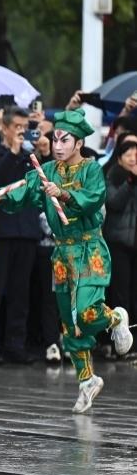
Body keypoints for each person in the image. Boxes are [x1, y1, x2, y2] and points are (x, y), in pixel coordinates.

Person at [0, 109, 133, 413]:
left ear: (79, 143)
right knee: (70, 323)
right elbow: (25, 191)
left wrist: (63, 195)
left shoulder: (91, 169)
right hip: (62, 254)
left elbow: (93, 199)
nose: (58, 144)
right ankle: (87, 380)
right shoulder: (47, 170)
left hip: (88, 249)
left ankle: (117, 318)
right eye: (55, 139)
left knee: (88, 314)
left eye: (65, 139)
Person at [0, 105, 38, 364]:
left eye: (25, 128)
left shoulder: (30, 155)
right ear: (4, 127)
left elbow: (39, 182)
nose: (22, 133)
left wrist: (40, 153)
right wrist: (13, 151)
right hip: (1, 230)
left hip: (26, 230)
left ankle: (16, 343)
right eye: (17, 128)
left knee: (20, 292)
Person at [102, 137, 137, 357]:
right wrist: (130, 182)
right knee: (120, 294)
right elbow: (113, 202)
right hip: (118, 243)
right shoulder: (113, 175)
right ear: (120, 158)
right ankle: (118, 344)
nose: (134, 158)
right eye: (129, 155)